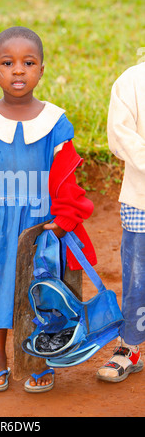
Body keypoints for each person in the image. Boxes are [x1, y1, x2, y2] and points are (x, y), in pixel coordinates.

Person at [0, 26, 96, 392]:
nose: (18, 70)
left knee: (42, 289)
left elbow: (67, 178)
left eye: (28, 63)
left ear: (41, 70)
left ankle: (38, 358)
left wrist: (65, 219)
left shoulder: (54, 122)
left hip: (41, 225)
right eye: (8, 62)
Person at [97, 61, 145, 382]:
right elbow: (119, 136)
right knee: (138, 277)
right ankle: (131, 346)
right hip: (142, 199)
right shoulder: (132, 82)